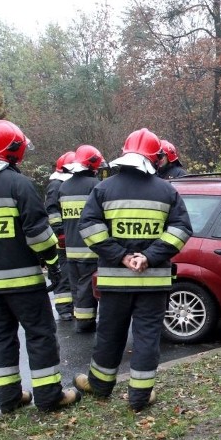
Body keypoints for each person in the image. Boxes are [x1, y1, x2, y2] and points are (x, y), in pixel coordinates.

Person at [0, 120, 81, 413]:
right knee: (40, 334)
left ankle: (8, 399)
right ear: (13, 149)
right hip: (24, 284)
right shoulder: (19, 185)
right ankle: (49, 396)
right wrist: (52, 263)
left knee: (0, 336)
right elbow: (38, 234)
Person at [74, 128, 192, 412]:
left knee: (109, 334)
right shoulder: (167, 190)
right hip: (153, 281)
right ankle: (139, 397)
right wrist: (148, 258)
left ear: (125, 152)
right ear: (155, 157)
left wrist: (121, 257)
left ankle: (100, 386)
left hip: (115, 281)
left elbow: (88, 228)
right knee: (147, 337)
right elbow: (181, 230)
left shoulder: (103, 189)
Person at [59, 145, 104, 333]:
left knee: (77, 285)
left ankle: (80, 316)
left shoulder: (64, 186)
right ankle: (85, 323)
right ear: (93, 164)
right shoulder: (95, 186)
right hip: (90, 247)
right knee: (86, 286)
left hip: (71, 248)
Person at [45, 151, 76, 321]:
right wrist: (60, 233)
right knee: (64, 274)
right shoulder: (56, 186)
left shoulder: (64, 185)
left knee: (72, 273)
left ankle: (71, 307)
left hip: (70, 237)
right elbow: (52, 211)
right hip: (61, 240)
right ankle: (64, 308)